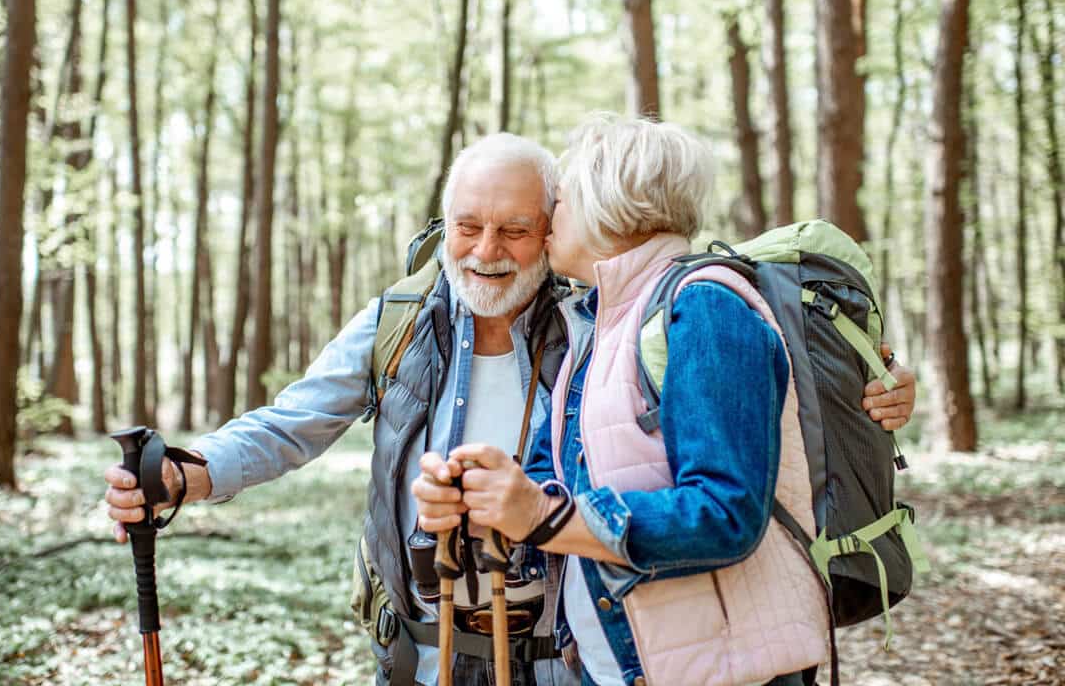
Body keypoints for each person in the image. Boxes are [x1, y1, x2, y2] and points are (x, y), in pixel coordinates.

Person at [104, 132, 917, 686]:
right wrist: (192, 473)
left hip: (571, 650)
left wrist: (870, 389)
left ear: (558, 226)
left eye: (516, 229)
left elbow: (723, 402)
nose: (486, 250)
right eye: (468, 226)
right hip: (426, 649)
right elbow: (290, 422)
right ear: (442, 226)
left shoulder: (602, 319)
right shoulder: (401, 323)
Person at [414, 116, 910, 686]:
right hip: (626, 667)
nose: (550, 221)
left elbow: (725, 514)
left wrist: (541, 514)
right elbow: (552, 482)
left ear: (610, 206)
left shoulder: (704, 309)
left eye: (564, 201)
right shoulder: (600, 323)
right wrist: (477, 499)